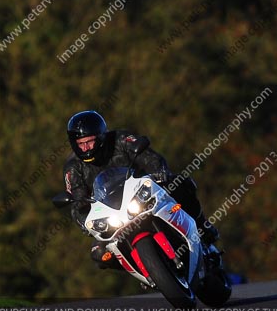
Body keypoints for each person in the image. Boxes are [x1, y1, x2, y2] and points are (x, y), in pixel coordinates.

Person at [63, 110, 219, 269]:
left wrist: (159, 172)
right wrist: (84, 222)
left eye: (89, 141)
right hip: (113, 214)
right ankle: (146, 269)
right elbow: (77, 202)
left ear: (101, 136)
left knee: (182, 184)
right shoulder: (73, 168)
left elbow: (149, 157)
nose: (85, 148)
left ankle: (202, 226)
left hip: (144, 192)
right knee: (100, 255)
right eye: (80, 144)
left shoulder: (121, 139)